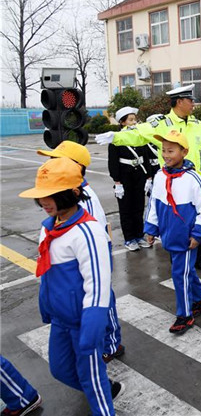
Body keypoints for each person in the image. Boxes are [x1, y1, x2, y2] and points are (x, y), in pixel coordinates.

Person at [19, 157, 121, 416]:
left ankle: (101, 396)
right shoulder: (49, 227)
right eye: (41, 195)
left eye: (51, 195)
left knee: (91, 379)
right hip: (60, 320)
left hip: (82, 322)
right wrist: (47, 306)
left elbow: (98, 284)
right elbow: (49, 274)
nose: (43, 201)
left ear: (73, 193)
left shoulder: (88, 232)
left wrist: (92, 328)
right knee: (60, 370)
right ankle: (105, 388)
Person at [95, 84, 201, 272]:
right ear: (180, 102)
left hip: (196, 181)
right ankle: (176, 258)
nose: (193, 104)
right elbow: (138, 135)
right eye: (190, 100)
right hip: (174, 183)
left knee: (197, 219)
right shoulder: (162, 124)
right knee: (176, 220)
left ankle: (198, 257)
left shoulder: (197, 125)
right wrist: (116, 137)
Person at [35, 142, 124, 364]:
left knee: (102, 295)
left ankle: (112, 343)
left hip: (94, 251)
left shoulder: (84, 197)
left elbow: (92, 234)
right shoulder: (61, 194)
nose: (50, 164)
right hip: (76, 254)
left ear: (75, 166)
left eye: (56, 160)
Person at [143, 130, 201, 333]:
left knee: (179, 275)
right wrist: (151, 228)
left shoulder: (193, 178)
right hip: (169, 235)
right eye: (164, 150)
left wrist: (198, 234)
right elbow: (154, 204)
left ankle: (185, 315)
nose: (166, 155)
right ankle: (200, 300)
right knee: (184, 271)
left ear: (184, 152)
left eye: (171, 151)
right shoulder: (160, 176)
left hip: (186, 237)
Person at [108, 106, 151, 252]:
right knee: (126, 208)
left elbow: (145, 157)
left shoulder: (139, 137)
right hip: (124, 177)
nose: (134, 122)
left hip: (139, 175)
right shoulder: (116, 138)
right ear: (122, 122)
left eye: (134, 120)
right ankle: (129, 238)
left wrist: (148, 177)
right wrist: (117, 182)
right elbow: (113, 162)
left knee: (139, 206)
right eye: (130, 120)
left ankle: (139, 235)